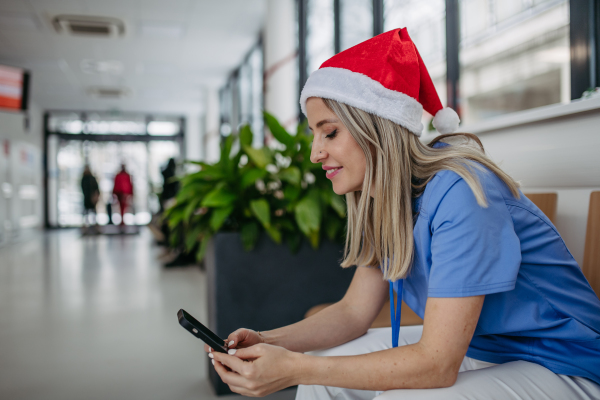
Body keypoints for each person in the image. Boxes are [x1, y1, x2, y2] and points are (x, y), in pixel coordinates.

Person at [205, 29, 600, 399]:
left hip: (566, 364)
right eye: (314, 134)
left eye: (330, 132)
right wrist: (268, 340)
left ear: (376, 129)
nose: (315, 153)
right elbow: (354, 312)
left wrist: (294, 368)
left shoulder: (461, 193)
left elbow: (437, 363)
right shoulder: (387, 201)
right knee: (319, 379)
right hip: (487, 349)